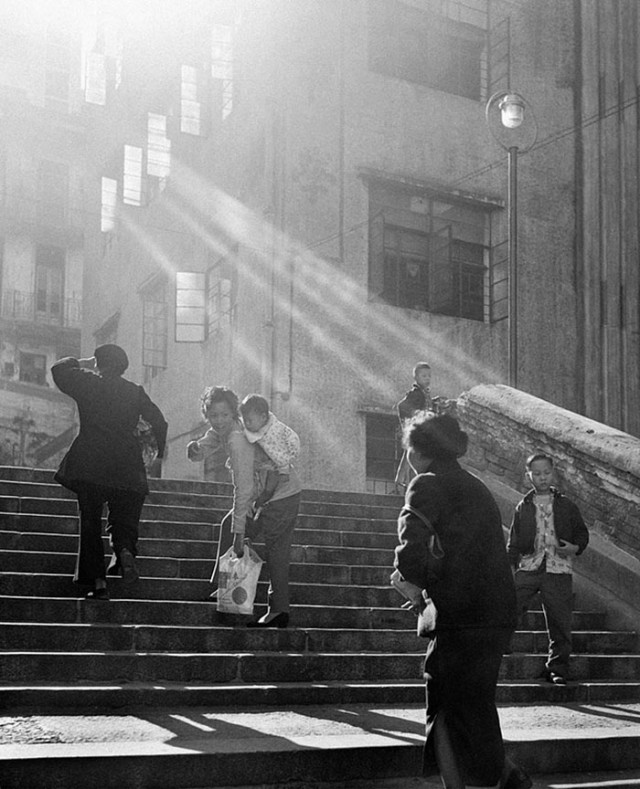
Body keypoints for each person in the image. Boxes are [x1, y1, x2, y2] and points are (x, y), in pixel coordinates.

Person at [394, 412, 530, 789]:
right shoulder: (475, 485)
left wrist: (410, 584)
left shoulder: (426, 484)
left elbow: (410, 551)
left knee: (444, 704)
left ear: (418, 452)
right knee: (477, 702)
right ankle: (502, 776)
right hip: (495, 610)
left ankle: (468, 783)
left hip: (459, 614)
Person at [51, 344, 168, 600]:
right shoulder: (134, 392)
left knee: (91, 521)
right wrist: (158, 455)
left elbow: (58, 369)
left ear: (98, 362)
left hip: (91, 463)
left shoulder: (87, 382)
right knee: (123, 518)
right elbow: (160, 421)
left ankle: (99, 583)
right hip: (127, 464)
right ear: (123, 366)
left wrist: (83, 363)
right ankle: (124, 551)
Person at [187, 386, 301, 628]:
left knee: (276, 550)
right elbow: (211, 440)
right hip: (269, 494)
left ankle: (279, 610)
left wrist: (240, 533)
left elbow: (243, 489)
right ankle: (222, 586)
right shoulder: (226, 430)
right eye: (213, 416)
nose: (219, 421)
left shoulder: (239, 439)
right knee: (230, 524)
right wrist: (196, 448)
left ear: (234, 414)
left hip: (281, 495)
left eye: (224, 415)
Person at [507, 452, 589, 686]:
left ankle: (558, 668)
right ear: (528, 476)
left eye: (546, 473)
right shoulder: (523, 506)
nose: (542, 478)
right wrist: (509, 567)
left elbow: (582, 533)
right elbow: (513, 542)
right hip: (529, 566)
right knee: (509, 605)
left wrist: (575, 547)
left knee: (560, 622)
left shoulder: (566, 505)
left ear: (552, 474)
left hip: (558, 568)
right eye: (537, 474)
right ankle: (498, 648)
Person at [239, 393, 300, 504]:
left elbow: (278, 456)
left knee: (276, 462)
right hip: (267, 484)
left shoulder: (273, 434)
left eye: (250, 421)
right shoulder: (254, 430)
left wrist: (283, 472)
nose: (247, 424)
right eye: (245, 420)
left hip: (284, 493)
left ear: (263, 417)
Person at [394, 362, 433, 493]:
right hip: (416, 430)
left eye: (429, 376)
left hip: (419, 430)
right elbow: (401, 406)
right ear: (416, 378)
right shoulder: (416, 393)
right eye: (424, 376)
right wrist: (411, 422)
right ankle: (403, 484)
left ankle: (400, 483)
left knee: (408, 456)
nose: (427, 379)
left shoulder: (424, 393)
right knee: (411, 457)